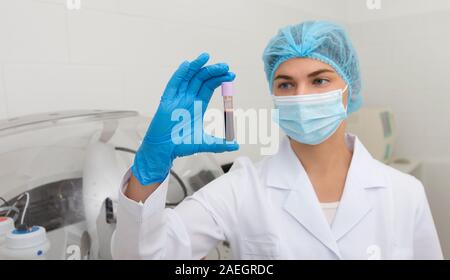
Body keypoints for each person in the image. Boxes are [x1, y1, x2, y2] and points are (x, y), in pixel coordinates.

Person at [111, 20, 443, 259]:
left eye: (319, 80)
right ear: (274, 94)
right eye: (285, 84)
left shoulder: (405, 193)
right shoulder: (242, 188)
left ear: (348, 90)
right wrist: (150, 168)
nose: (300, 95)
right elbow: (143, 256)